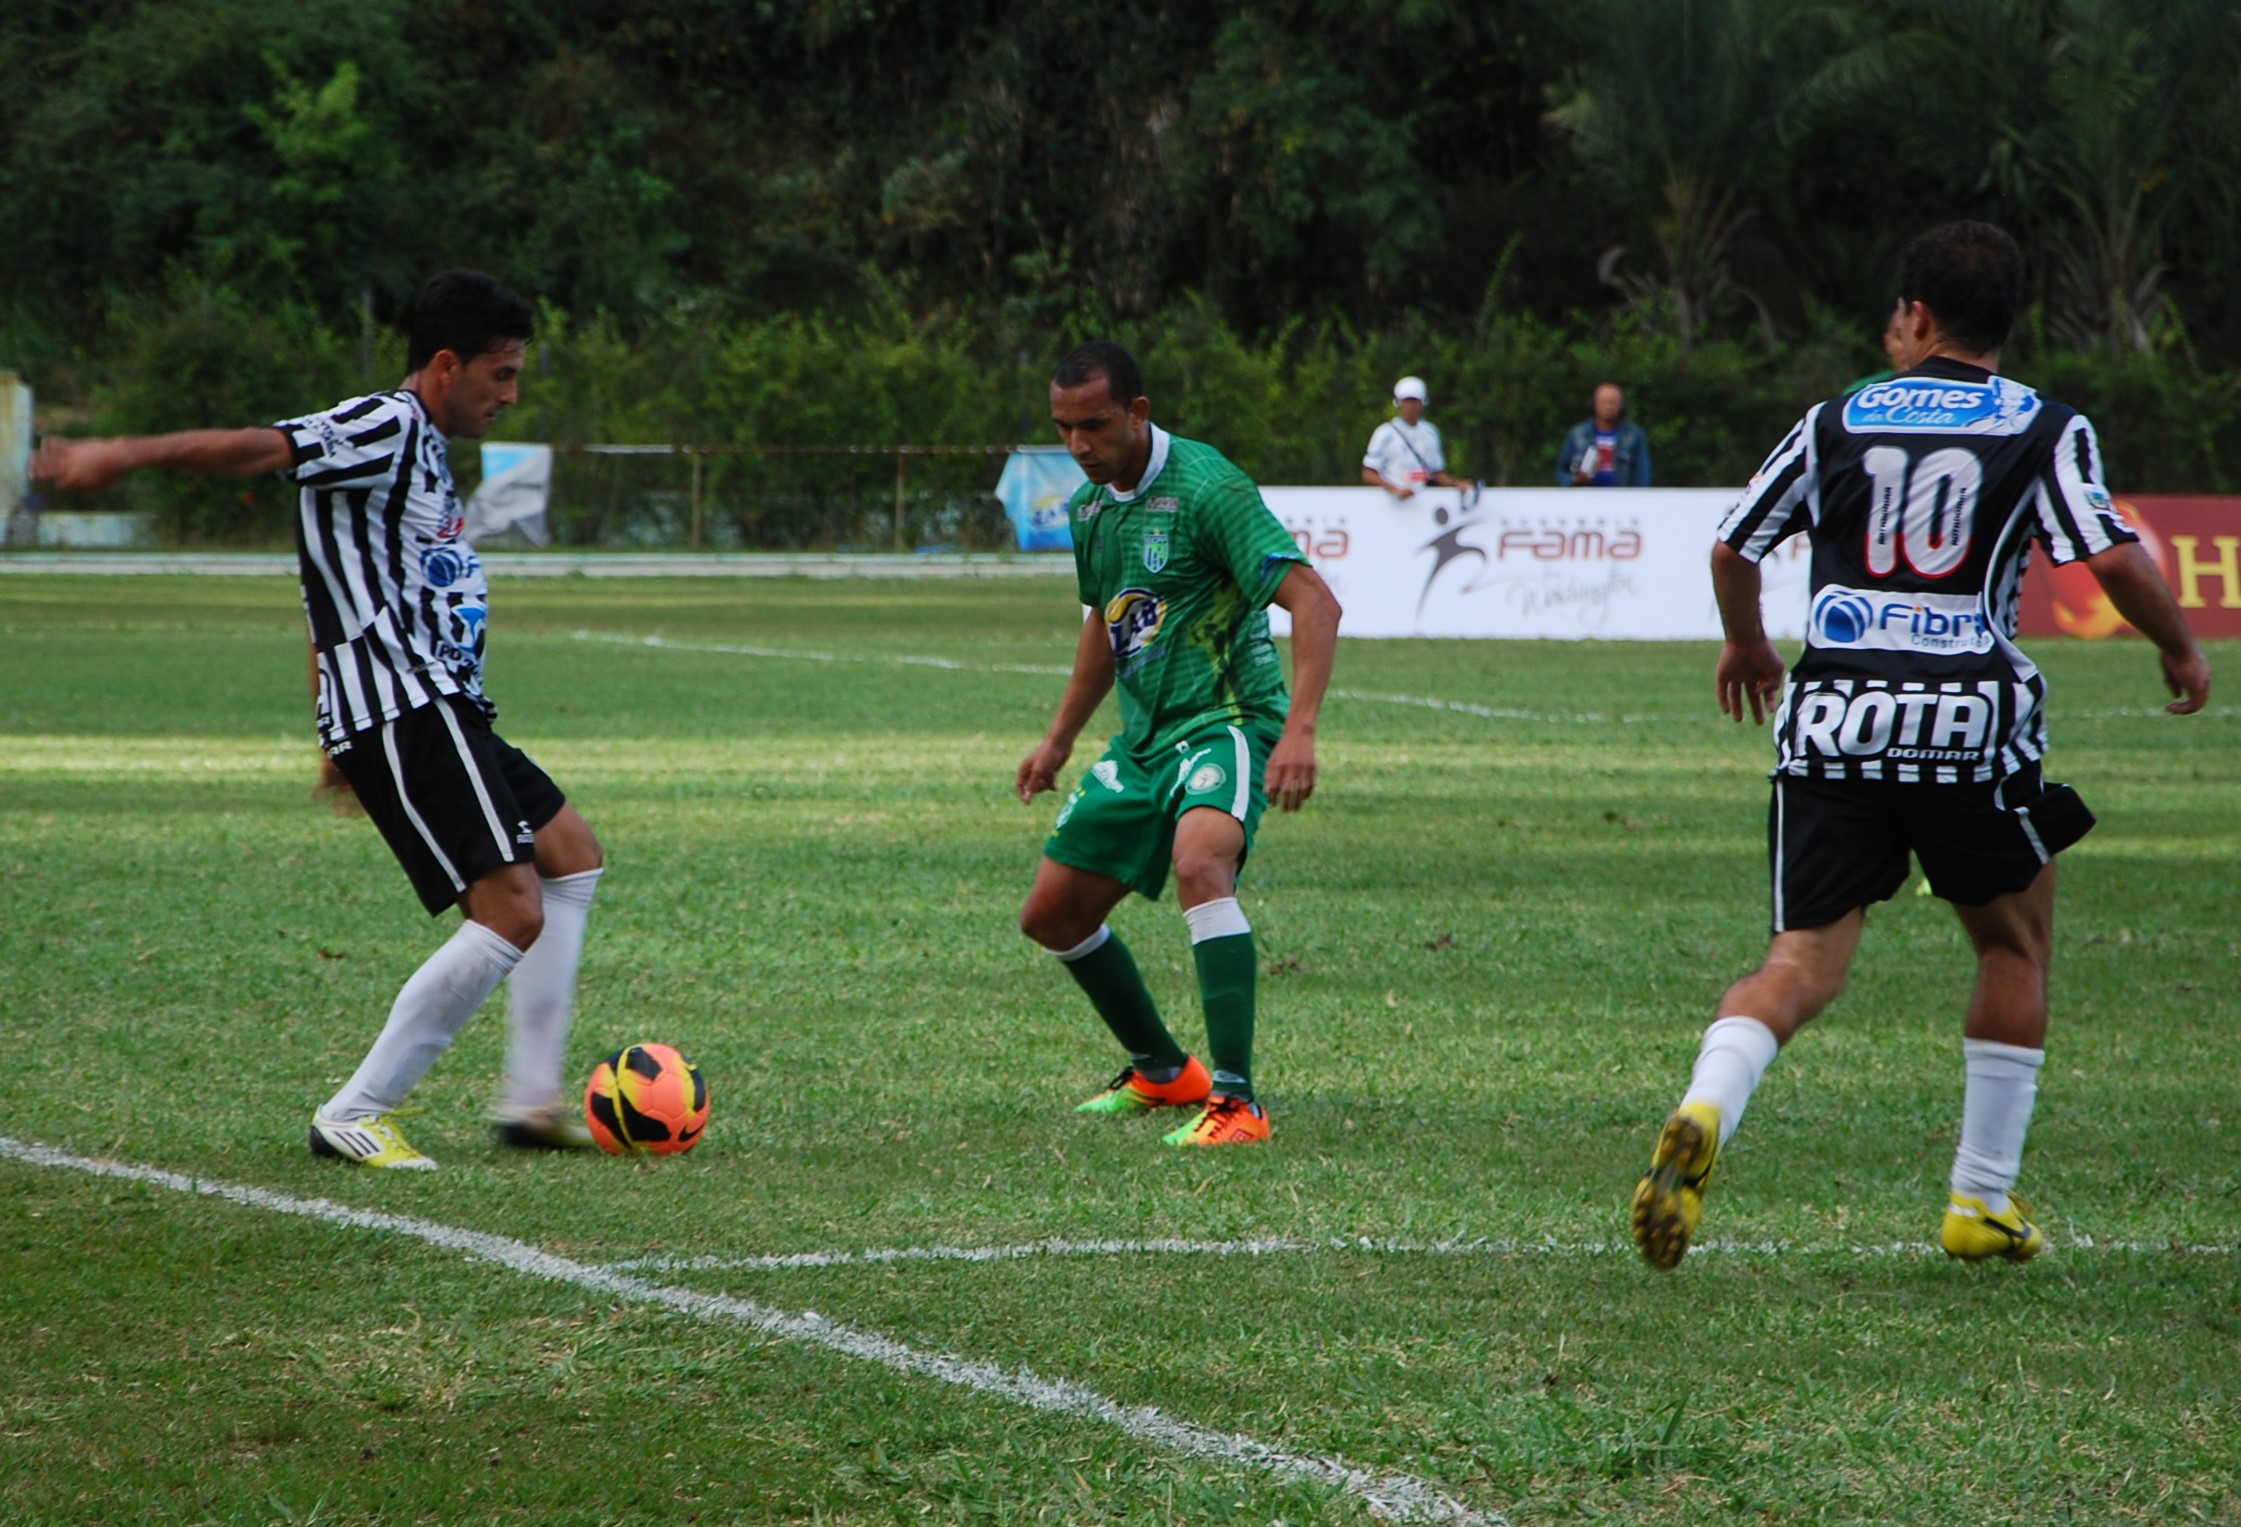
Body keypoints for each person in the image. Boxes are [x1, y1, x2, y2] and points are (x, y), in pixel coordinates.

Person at [1628, 221, 2211, 1270]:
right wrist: (2180, 649)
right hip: (1967, 729)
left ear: (1919, 316)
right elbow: (2113, 559)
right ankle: (1980, 1202)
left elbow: (1733, 547)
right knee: (2012, 945)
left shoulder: (1835, 418)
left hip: (1833, 720)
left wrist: (1750, 642)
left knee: (1797, 964)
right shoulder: (2042, 425)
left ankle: (1706, 1106)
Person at [32, 270, 604, 1170]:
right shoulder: (384, 424)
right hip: (407, 706)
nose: (511, 394)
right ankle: (357, 1108)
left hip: (432, 704)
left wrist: (325, 726)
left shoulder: (420, 450)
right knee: (512, 905)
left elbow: (322, 596)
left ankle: (529, 1102)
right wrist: (123, 455)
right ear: (446, 365)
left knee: (570, 851)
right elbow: (259, 446)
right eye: (499, 374)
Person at [1017, 340, 1342, 1146]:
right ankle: (1164, 1071)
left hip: (1228, 721)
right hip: (1144, 739)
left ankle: (1237, 1102)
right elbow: (1106, 620)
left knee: (1201, 861)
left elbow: (1314, 602)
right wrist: (1058, 739)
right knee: (1051, 915)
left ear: (1137, 412)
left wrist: (1298, 728)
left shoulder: (1208, 487)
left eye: (1092, 425)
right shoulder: (1089, 507)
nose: (1077, 446)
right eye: (1062, 428)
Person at [1362, 376, 1473, 499]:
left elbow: (1437, 473)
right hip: (1391, 503)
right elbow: (1369, 473)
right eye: (1407, 401)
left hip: (1422, 502)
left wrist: (1456, 483)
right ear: (1399, 403)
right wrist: (1394, 490)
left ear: (1422, 403)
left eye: (1415, 401)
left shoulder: (1430, 432)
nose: (1411, 406)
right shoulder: (1385, 432)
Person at [1556, 382, 1651, 486]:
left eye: (1613, 402)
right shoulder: (1577, 434)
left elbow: (1642, 472)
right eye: (1604, 402)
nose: (1608, 407)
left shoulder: (1634, 435)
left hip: (1621, 498)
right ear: (1594, 404)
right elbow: (1561, 470)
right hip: (1585, 498)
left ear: (1621, 406)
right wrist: (1575, 480)